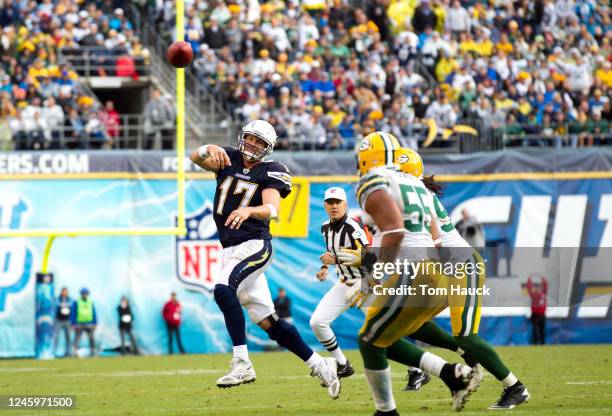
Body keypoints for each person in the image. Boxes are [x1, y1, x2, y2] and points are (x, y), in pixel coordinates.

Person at [189, 119, 339, 398]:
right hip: (231, 248)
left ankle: (242, 362)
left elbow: (272, 209)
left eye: (260, 142)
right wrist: (205, 147)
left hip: (255, 245)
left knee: (223, 289)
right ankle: (321, 364)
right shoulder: (228, 158)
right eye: (251, 138)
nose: (253, 145)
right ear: (242, 136)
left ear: (268, 148)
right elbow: (195, 157)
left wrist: (249, 211)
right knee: (268, 322)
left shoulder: (272, 170)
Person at [343, 132, 479, 414]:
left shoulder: (374, 180)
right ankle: (450, 373)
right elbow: (430, 235)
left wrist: (371, 273)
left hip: (413, 271)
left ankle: (386, 411)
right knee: (382, 338)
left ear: (368, 157)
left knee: (368, 340)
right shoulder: (415, 182)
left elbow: (394, 231)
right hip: (435, 272)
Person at [398, 147, 530, 409]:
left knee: (467, 335)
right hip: (444, 268)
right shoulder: (413, 195)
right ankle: (465, 358)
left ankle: (515, 387)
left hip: (462, 266)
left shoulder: (414, 197)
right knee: (409, 321)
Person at [310, 186, 370, 380]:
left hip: (364, 283)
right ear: (325, 205)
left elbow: (371, 257)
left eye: (338, 202)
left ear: (345, 204)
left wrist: (335, 261)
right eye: (330, 202)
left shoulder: (353, 227)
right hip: (344, 283)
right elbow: (332, 253)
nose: (334, 206)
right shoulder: (325, 227)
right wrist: (325, 268)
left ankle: (416, 369)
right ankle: (343, 364)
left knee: (381, 329)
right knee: (318, 322)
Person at [71, 288, 97, 357]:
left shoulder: (90, 302)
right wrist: (73, 323)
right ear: (81, 294)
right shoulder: (77, 301)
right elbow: (73, 312)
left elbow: (93, 312)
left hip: (89, 323)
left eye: (86, 293)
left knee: (91, 338)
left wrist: (95, 322)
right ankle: (75, 352)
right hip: (79, 323)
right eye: (84, 293)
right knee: (77, 338)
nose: (85, 295)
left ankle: (93, 351)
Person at [526, 274, 548, 345]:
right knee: (534, 330)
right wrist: (529, 278)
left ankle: (542, 344)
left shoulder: (543, 294)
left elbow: (545, 285)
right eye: (536, 287)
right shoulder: (533, 294)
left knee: (542, 330)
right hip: (535, 315)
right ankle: (535, 344)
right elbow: (529, 288)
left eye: (539, 287)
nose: (538, 289)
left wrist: (542, 277)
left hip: (542, 315)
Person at [54, 287, 72, 357]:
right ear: (61, 292)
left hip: (67, 320)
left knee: (68, 337)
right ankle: (54, 352)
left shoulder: (70, 299)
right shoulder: (58, 299)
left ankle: (68, 352)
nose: (64, 293)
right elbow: (56, 306)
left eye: (66, 291)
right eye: (63, 291)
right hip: (59, 320)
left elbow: (71, 305)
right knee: (56, 336)